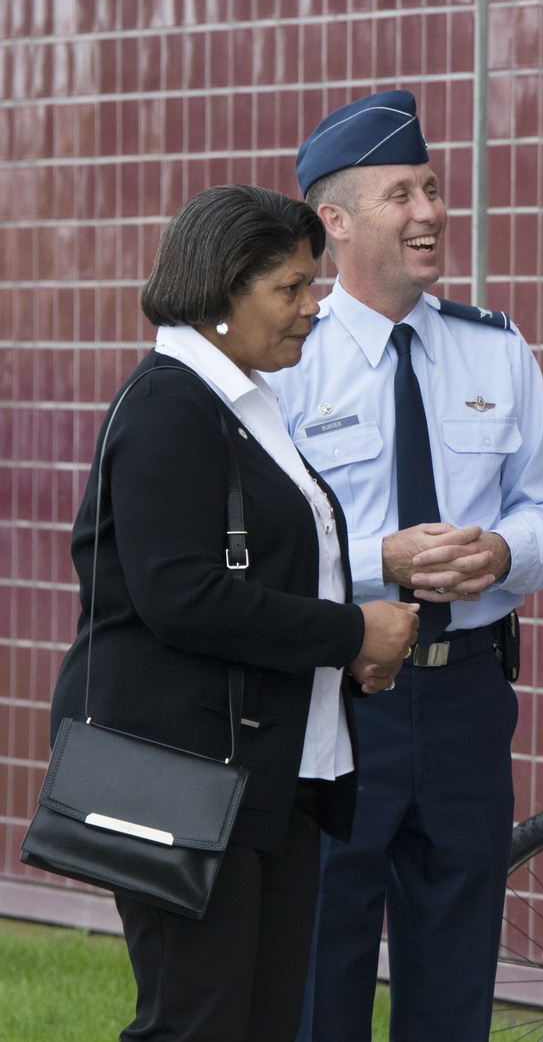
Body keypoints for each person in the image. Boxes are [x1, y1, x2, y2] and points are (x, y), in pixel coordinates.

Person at [48, 184, 419, 1042]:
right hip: (184, 775)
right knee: (199, 1020)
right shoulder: (171, 409)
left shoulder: (240, 404)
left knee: (257, 1020)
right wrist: (350, 633)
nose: (311, 308)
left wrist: (344, 647)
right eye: (290, 288)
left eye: (310, 285)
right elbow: (181, 597)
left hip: (264, 775)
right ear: (222, 291)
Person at [268, 90, 543, 1041]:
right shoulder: (289, 360)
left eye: (434, 189)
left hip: (465, 702)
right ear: (337, 220)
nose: (432, 212)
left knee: (455, 973)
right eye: (401, 193)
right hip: (337, 698)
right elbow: (264, 543)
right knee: (322, 963)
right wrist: (379, 562)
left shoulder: (495, 347)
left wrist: (502, 552)